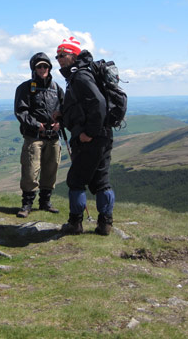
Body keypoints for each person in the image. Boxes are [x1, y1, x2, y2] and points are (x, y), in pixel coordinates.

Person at [54, 37, 116, 235]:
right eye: (57, 56)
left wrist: (88, 133)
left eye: (62, 55)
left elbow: (98, 103)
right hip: (104, 135)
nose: (59, 59)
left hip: (91, 139)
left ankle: (75, 223)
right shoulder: (84, 74)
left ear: (73, 55)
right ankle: (105, 224)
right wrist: (64, 115)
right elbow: (82, 107)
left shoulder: (80, 77)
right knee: (101, 181)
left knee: (76, 180)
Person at [14, 52, 64, 218]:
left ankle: (45, 202)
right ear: (33, 69)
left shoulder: (57, 88)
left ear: (49, 68)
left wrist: (60, 123)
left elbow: (66, 110)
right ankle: (27, 204)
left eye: (46, 66)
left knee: (51, 170)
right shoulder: (24, 88)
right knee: (30, 170)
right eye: (39, 66)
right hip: (33, 136)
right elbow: (21, 112)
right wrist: (37, 125)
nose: (43, 69)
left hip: (53, 137)